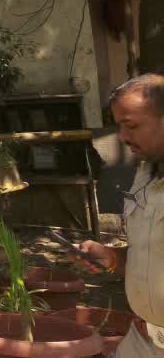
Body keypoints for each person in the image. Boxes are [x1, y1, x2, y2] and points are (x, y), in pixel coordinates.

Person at [71, 73, 164, 357]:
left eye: (132, 125)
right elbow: (148, 254)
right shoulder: (146, 174)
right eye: (119, 126)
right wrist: (112, 258)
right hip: (143, 339)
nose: (122, 137)